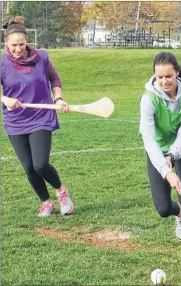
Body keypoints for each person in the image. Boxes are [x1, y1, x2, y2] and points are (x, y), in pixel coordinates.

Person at [1, 16, 74, 217]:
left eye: (21, 44)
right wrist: (4, 98)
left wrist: (58, 99)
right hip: (15, 120)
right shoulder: (1, 62)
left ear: (27, 42)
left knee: (40, 163)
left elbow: (54, 78)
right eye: (13, 45)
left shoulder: (41, 57)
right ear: (5, 43)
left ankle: (61, 191)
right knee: (29, 167)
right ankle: (46, 203)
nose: (18, 49)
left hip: (42, 115)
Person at [139, 52, 181, 263]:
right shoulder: (148, 100)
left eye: (169, 76)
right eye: (160, 77)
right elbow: (149, 140)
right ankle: (179, 216)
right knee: (163, 208)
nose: (165, 81)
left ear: (177, 73)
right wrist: (166, 171)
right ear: (155, 77)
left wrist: (173, 155)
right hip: (157, 150)